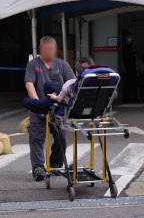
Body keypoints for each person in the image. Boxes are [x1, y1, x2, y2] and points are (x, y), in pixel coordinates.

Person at [24, 36, 76, 181]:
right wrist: (37, 104)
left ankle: (56, 164)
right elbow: (29, 84)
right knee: (36, 139)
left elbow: (72, 83)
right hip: (40, 107)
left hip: (58, 109)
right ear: (41, 49)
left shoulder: (62, 65)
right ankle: (38, 167)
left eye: (52, 49)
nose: (49, 52)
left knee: (62, 137)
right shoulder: (34, 64)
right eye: (46, 49)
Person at [22, 57, 95, 114]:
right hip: (81, 101)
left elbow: (60, 99)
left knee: (25, 101)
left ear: (76, 72)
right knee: (48, 85)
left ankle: (46, 105)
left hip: (62, 103)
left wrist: (54, 97)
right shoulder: (97, 84)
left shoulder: (70, 83)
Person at [122, 32, 139, 102]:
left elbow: (136, 56)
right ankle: (126, 98)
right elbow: (121, 59)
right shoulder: (123, 47)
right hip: (126, 67)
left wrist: (137, 66)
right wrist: (123, 68)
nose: (130, 39)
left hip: (133, 67)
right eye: (128, 37)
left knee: (134, 83)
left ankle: (135, 98)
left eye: (130, 37)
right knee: (126, 83)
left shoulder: (133, 47)